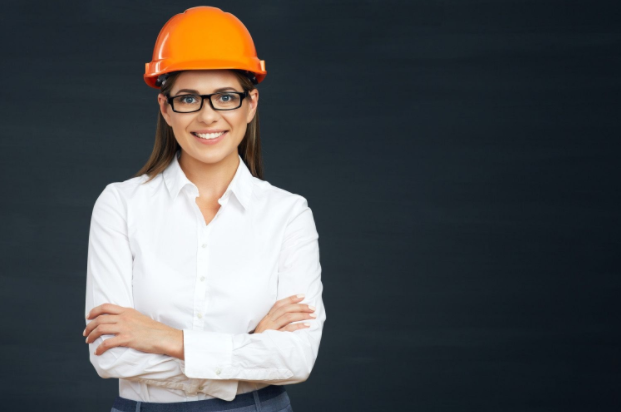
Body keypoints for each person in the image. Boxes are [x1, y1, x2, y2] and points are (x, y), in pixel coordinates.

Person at [82, 6, 325, 412]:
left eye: (226, 97)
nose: (208, 115)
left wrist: (163, 338)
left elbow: (296, 359)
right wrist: (249, 350)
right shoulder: (121, 205)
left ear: (250, 105)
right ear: (165, 108)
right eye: (189, 98)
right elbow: (113, 355)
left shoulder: (288, 214)